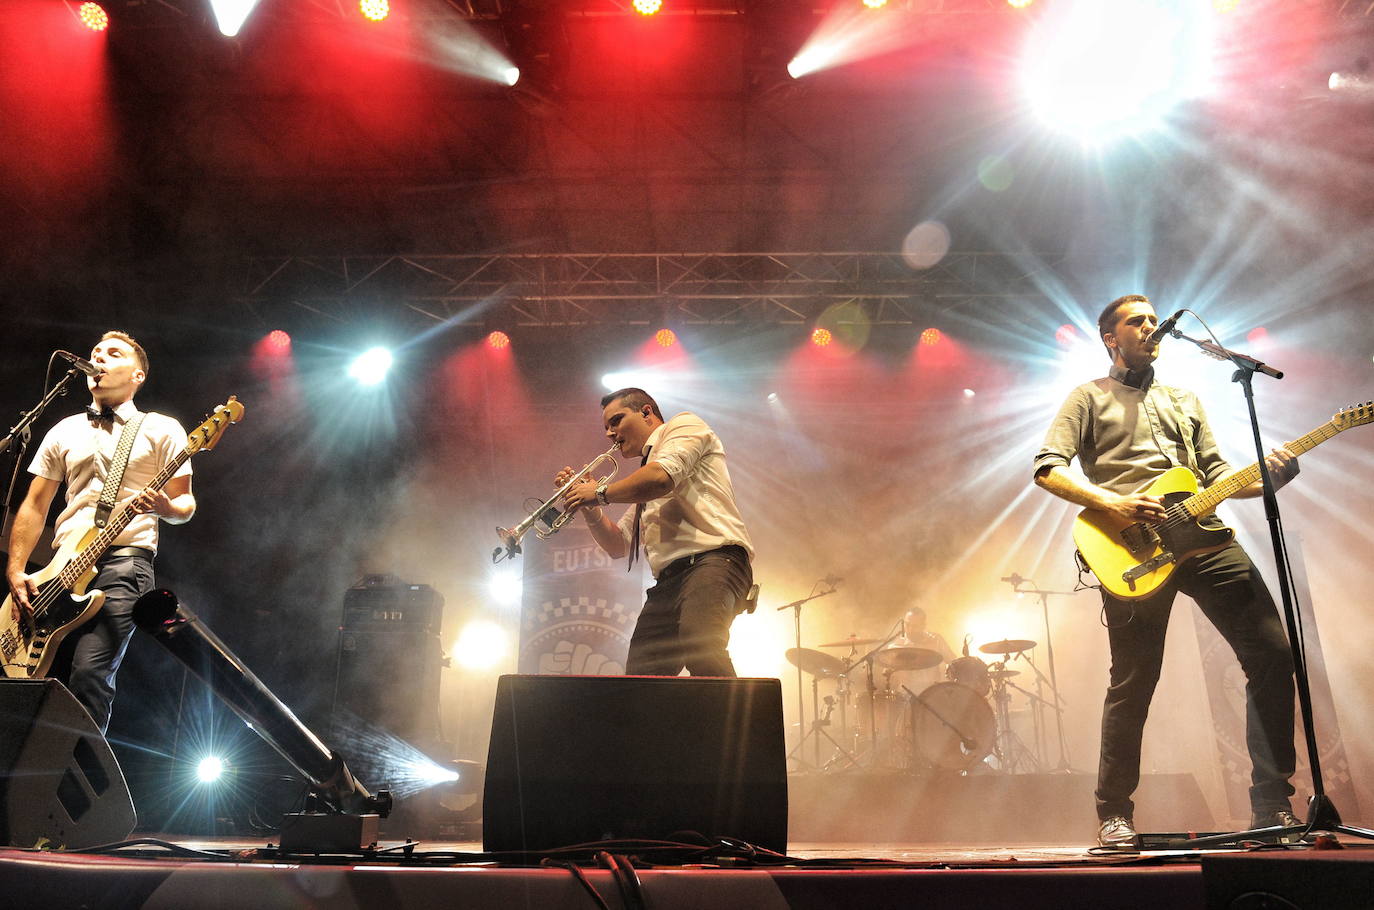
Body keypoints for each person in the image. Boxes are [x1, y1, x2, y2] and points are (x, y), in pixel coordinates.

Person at [1033, 294, 1299, 849]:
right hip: (1130, 548)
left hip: (1202, 538)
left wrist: (1270, 480)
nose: (1150, 327)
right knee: (1134, 680)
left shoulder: (1184, 399)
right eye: (1137, 321)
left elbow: (1218, 474)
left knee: (1273, 654)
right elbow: (1048, 469)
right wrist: (1114, 502)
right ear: (1111, 337)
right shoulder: (1087, 397)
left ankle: (1272, 804)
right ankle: (1114, 813)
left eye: (1154, 320)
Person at [6, 331, 195, 733]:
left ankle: (79, 770)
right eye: (96, 353)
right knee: (27, 684)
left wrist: (164, 506)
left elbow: (185, 504)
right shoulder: (65, 429)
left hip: (124, 565)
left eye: (113, 353)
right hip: (60, 570)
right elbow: (35, 504)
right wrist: (16, 569)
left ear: (138, 375)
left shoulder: (163, 428)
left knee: (89, 675)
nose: (100, 358)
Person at [558, 387, 754, 677]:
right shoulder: (645, 478)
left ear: (646, 412)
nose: (610, 433)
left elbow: (661, 479)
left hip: (714, 560)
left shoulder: (684, 424)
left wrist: (597, 493)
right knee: (642, 675)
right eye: (606, 427)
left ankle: (738, 710)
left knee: (701, 642)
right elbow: (617, 545)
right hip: (669, 580)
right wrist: (588, 505)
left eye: (616, 421)